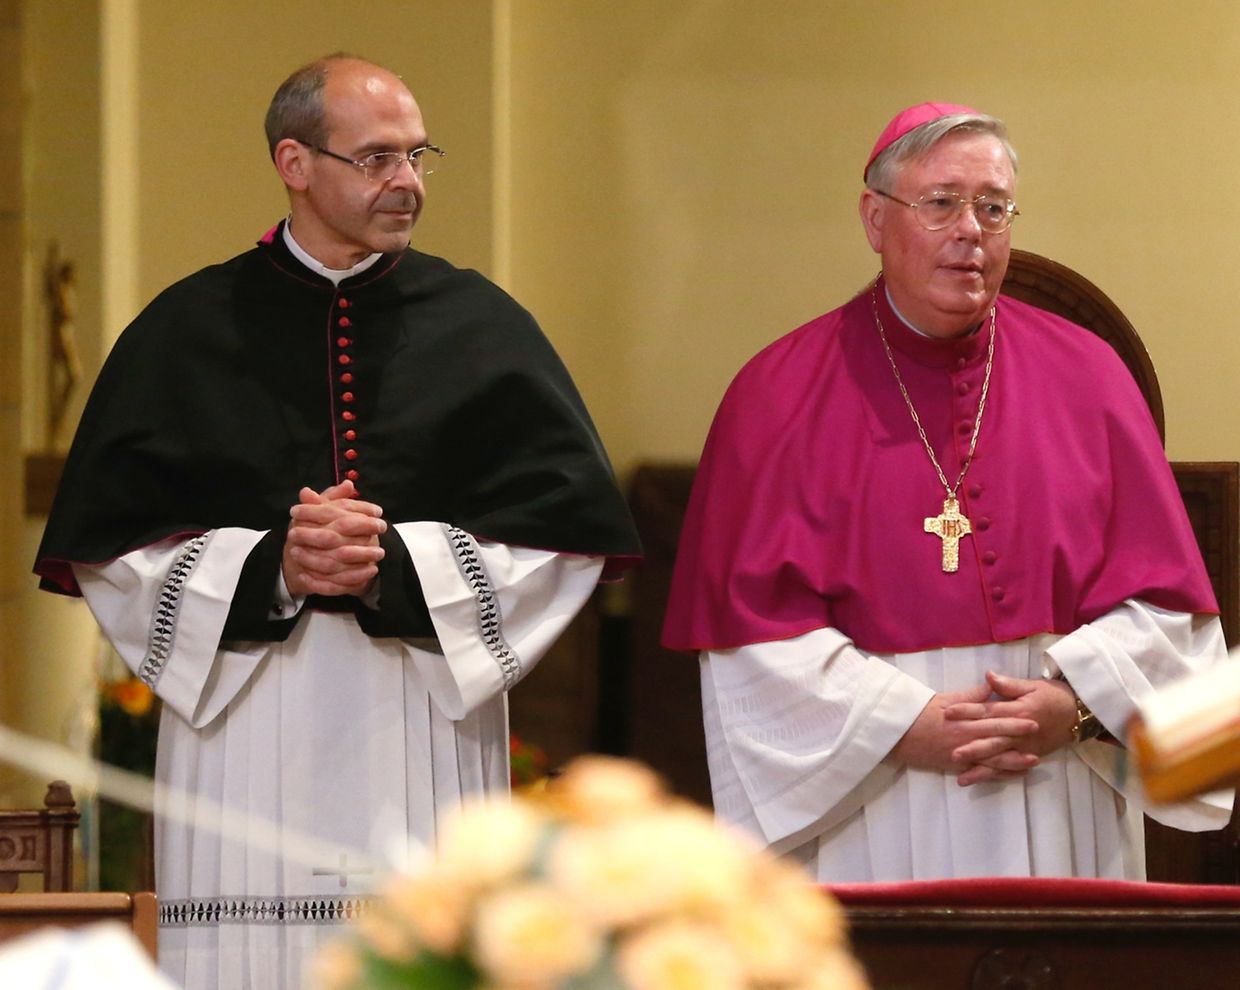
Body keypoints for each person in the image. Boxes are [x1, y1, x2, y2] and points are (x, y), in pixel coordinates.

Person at [34, 54, 640, 989]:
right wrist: (276, 566)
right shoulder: (187, 329)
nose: (407, 182)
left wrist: (396, 563)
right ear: (294, 162)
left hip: (423, 707)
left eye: (418, 155)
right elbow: (113, 553)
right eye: (376, 159)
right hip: (244, 713)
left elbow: (565, 540)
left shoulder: (483, 327)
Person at [662, 101, 1233, 882]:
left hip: (1063, 775)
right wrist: (898, 724)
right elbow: (749, 650)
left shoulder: (1091, 376)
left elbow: (1172, 614)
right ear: (875, 218)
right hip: (870, 794)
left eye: (993, 208)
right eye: (940, 203)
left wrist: (1079, 707)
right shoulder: (775, 394)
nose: (971, 229)